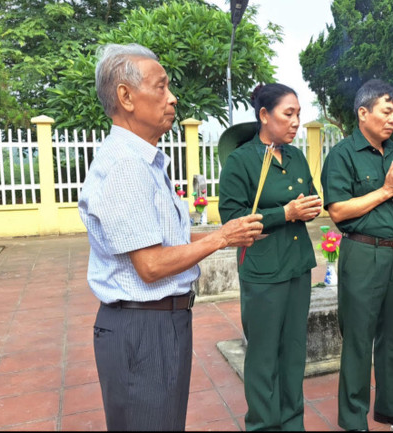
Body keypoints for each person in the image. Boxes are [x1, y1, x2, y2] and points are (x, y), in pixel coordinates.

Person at [78, 43, 263, 431]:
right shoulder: (127, 166)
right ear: (126, 97)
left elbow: (165, 236)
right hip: (142, 329)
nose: (172, 98)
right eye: (160, 87)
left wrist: (225, 233)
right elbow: (150, 265)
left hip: (159, 324)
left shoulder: (145, 161)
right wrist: (221, 238)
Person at [218, 83, 323, 431]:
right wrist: (286, 213)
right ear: (264, 115)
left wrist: (310, 208)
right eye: (288, 114)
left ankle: (293, 424)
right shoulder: (241, 160)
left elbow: (307, 196)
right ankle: (263, 425)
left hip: (297, 266)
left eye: (298, 115)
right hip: (263, 269)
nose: (295, 122)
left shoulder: (294, 156)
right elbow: (231, 219)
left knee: (294, 353)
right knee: (264, 356)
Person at [320, 79, 393, 431]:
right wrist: (387, 190)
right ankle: (352, 419)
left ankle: (392, 407)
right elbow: (339, 211)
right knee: (359, 339)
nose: (392, 119)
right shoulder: (342, 155)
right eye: (386, 111)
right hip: (363, 252)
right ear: (363, 113)